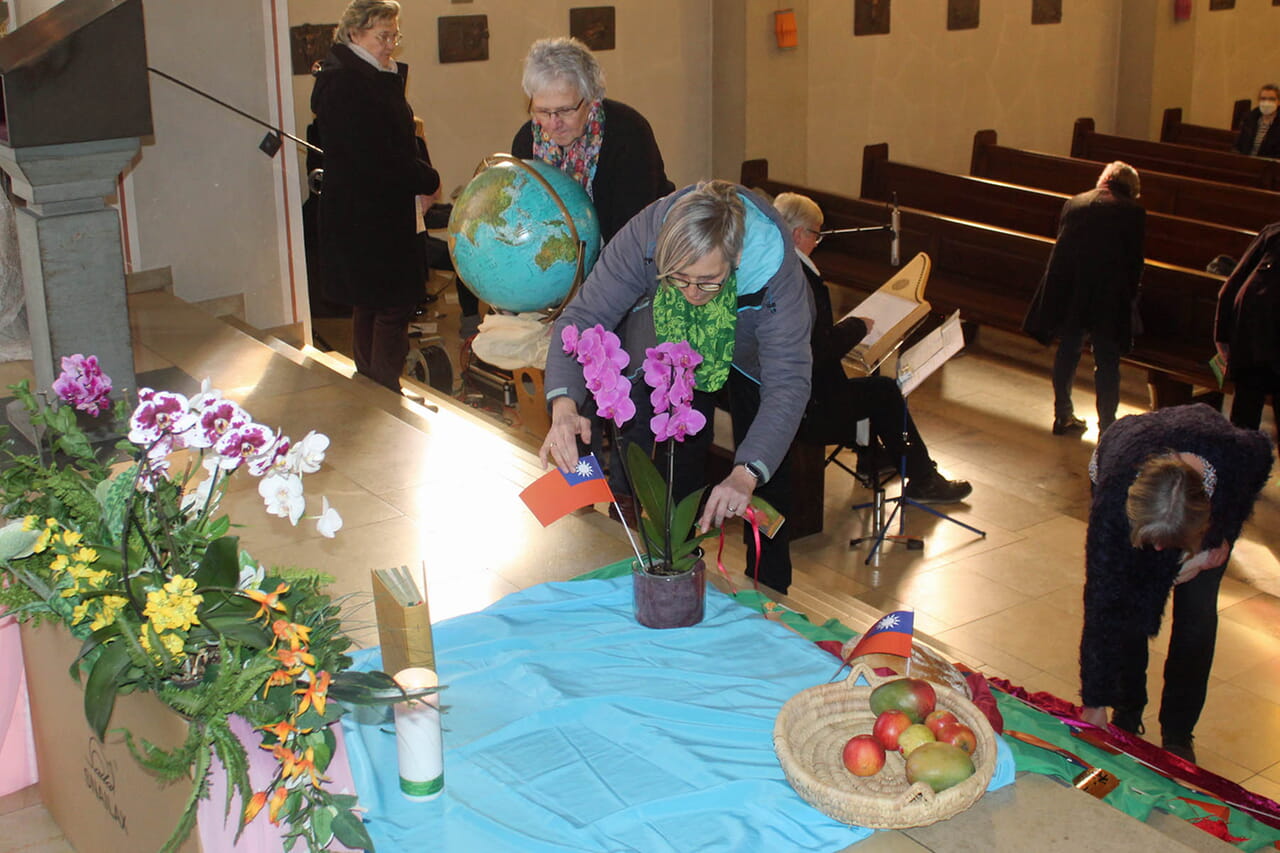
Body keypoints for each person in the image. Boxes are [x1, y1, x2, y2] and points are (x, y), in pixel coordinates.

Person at [540, 180, 813, 594]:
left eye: (707, 282)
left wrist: (746, 471)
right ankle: (682, 570)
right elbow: (581, 317)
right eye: (678, 278)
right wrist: (563, 407)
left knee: (763, 472)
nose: (690, 293)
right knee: (679, 448)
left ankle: (770, 592)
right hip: (675, 344)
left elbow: (788, 383)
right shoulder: (644, 235)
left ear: (736, 257)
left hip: (752, 355)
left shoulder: (776, 272)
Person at [1078, 404, 1272, 763]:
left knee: (1197, 616)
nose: (1160, 550)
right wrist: (1094, 701)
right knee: (1130, 600)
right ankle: (1127, 710)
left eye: (1169, 543)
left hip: (1205, 501)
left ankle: (1179, 732)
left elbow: (1262, 461)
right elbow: (1102, 602)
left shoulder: (1236, 455)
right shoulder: (1114, 501)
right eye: (1154, 542)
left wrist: (1222, 538)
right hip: (1128, 463)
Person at [772, 193, 971, 503]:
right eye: (816, 233)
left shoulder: (773, 268)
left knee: (867, 389)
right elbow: (819, 351)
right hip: (808, 407)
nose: (818, 241)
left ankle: (874, 457)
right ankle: (923, 479)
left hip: (782, 392)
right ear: (798, 234)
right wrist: (856, 328)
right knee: (885, 391)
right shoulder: (804, 281)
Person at [311, 0, 440, 392]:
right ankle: (383, 389)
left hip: (368, 210)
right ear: (354, 34)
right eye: (382, 35)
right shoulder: (351, 83)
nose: (390, 45)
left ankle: (369, 386)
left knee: (370, 301)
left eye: (394, 35)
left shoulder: (360, 75)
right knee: (391, 304)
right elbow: (380, 155)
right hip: (371, 214)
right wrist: (427, 177)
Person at [1023, 161, 1145, 437]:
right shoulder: (1132, 212)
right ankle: (1107, 428)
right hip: (1107, 296)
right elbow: (1134, 263)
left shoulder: (1074, 203)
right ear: (1131, 188)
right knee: (1107, 360)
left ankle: (1062, 415)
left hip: (1072, 292)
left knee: (1068, 350)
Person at [512, 37, 674, 244]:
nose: (553, 124)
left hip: (634, 254)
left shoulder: (628, 133)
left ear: (591, 100)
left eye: (565, 110)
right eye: (543, 111)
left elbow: (633, 234)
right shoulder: (526, 141)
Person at [1215, 223, 1280, 443]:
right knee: (1243, 424)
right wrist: (1223, 336)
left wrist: (1222, 337)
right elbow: (1232, 286)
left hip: (1251, 340)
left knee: (1243, 424)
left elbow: (1232, 285)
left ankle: (1239, 471)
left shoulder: (1274, 233)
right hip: (1254, 341)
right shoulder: (1273, 233)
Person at [1233, 84, 1280, 158]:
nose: (1267, 102)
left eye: (1272, 99)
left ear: (1278, 102)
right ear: (1259, 101)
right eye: (1263, 99)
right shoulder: (1250, 119)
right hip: (1246, 163)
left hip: (1269, 166)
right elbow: (1238, 145)